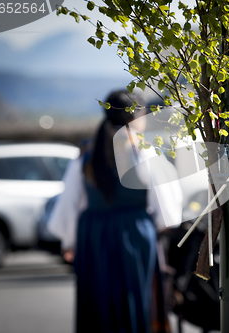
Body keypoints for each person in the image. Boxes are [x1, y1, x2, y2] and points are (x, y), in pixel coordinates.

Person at [48, 90, 183, 333]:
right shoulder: (145, 152)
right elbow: (166, 211)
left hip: (93, 235)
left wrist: (68, 240)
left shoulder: (87, 155)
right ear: (138, 116)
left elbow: (71, 203)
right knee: (134, 299)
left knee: (98, 302)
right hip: (134, 233)